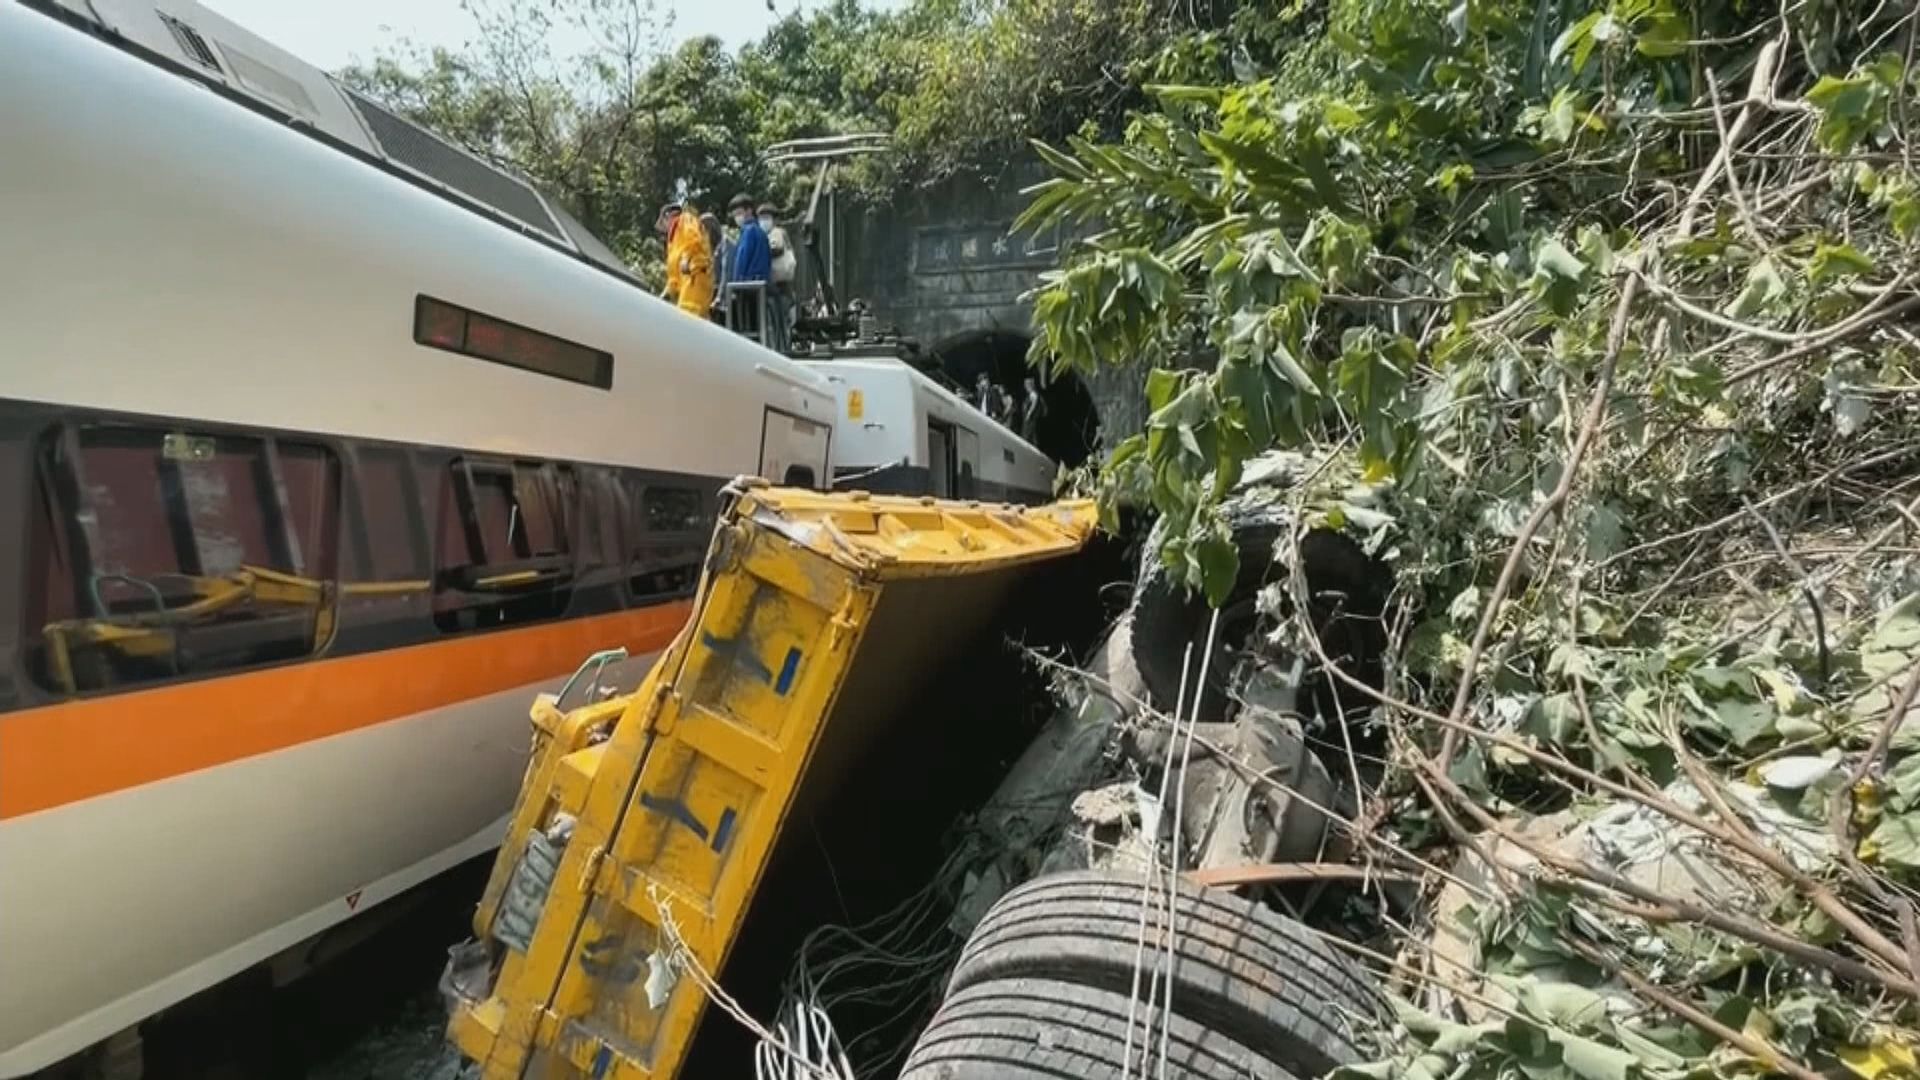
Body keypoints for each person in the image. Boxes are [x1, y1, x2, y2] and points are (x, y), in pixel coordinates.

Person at [728, 194, 773, 343]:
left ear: (749, 210)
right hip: (761, 284)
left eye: (739, 213)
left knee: (747, 328)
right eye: (735, 214)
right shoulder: (761, 232)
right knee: (759, 324)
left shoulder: (748, 232)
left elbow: (742, 259)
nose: (737, 217)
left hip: (747, 286)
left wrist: (735, 284)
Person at [659, 201, 713, 319]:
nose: (664, 227)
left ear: (668, 216)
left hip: (694, 275)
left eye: (663, 222)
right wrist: (668, 291)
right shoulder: (673, 239)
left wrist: (687, 257)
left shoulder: (685, 219)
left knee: (690, 316)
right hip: (686, 282)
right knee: (688, 317)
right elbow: (673, 272)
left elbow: (694, 239)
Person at [760, 203, 797, 353]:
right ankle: (783, 350)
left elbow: (776, 248)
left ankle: (783, 352)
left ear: (774, 219)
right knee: (780, 324)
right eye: (761, 218)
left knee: (780, 323)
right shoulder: (772, 233)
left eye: (766, 218)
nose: (763, 221)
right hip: (781, 286)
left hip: (780, 287)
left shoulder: (776, 233)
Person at [702, 211, 732, 325]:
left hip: (722, 299)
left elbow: (726, 272)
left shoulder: (725, 244)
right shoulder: (712, 248)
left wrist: (719, 298)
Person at [1020, 375, 1048, 444]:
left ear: (1029, 385)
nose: (1024, 386)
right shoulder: (1031, 394)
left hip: (1030, 418)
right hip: (1030, 418)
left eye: (1025, 384)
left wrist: (1029, 413)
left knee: (1027, 434)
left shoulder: (1033, 394)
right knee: (1032, 435)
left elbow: (1034, 403)